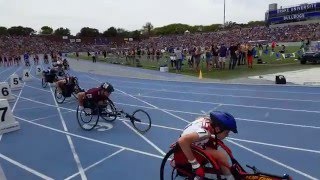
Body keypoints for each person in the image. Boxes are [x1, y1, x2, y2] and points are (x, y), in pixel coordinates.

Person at [178, 111, 238, 180]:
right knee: (221, 156)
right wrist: (195, 165)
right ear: (217, 129)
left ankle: (228, 175)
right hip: (186, 151)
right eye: (226, 132)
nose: (227, 135)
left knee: (218, 148)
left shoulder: (207, 121)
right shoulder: (205, 133)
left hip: (193, 144)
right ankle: (230, 178)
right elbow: (182, 141)